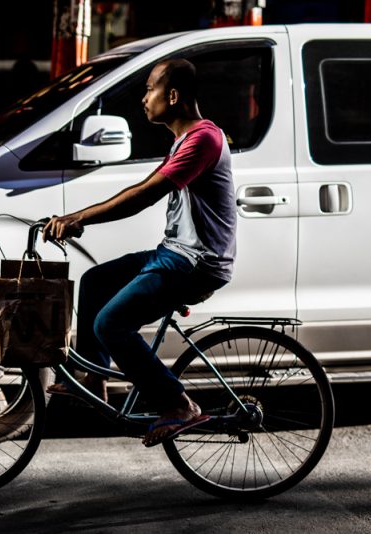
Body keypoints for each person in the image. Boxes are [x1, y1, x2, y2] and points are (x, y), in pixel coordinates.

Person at [42, 59, 237, 447]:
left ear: (174, 95)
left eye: (150, 88)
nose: (144, 97)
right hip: (175, 252)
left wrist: (79, 218)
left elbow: (145, 194)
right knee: (94, 280)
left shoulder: (204, 139)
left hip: (196, 262)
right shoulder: (185, 139)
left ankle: (179, 405)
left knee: (110, 324)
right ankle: (95, 377)